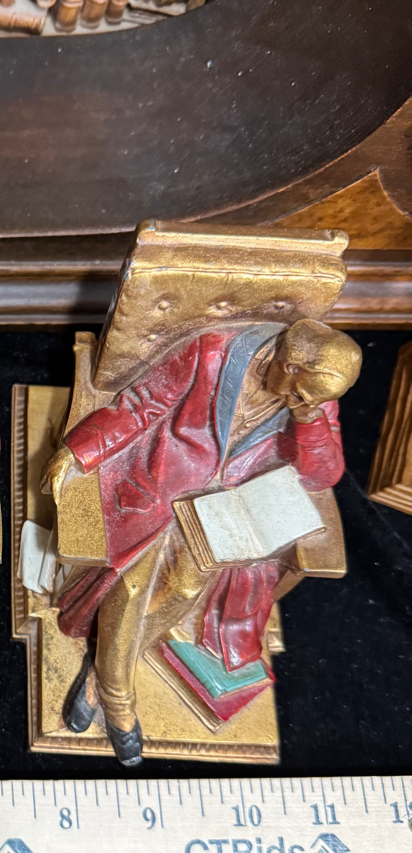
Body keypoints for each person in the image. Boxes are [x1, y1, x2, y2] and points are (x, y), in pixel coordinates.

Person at [41, 318, 362, 766]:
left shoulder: (313, 397)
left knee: (186, 589)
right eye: (300, 394)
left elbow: (321, 474)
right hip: (161, 492)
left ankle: (99, 673)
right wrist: (79, 450)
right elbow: (141, 405)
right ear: (288, 364)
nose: (301, 403)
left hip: (224, 509)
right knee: (132, 588)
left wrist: (308, 420)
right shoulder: (211, 352)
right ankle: (117, 700)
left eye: (312, 401)